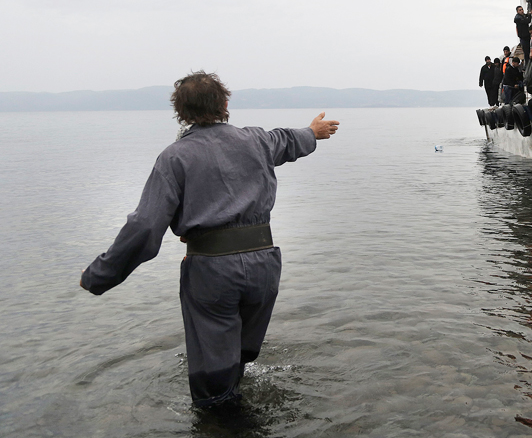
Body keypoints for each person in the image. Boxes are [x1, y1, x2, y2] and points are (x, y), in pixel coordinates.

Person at [79, 71, 339, 408]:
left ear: (181, 112)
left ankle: (222, 420)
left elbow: (145, 226)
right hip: (265, 264)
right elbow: (288, 139)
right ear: (226, 103)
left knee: (213, 374)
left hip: (213, 271)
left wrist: (100, 275)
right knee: (242, 355)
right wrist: (313, 132)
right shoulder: (257, 140)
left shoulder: (175, 157)